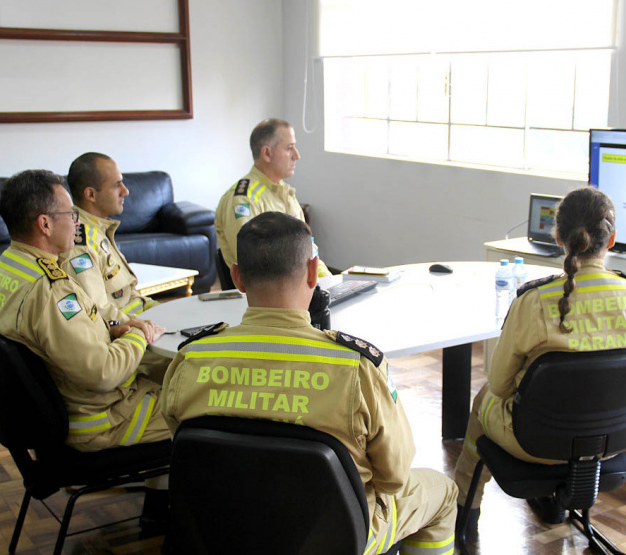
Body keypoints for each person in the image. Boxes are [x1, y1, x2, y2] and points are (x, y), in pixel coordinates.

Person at [161, 212, 456, 554]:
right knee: (443, 493)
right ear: (314, 272)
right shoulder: (357, 368)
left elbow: (189, 452)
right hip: (335, 536)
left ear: (237, 277)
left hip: (223, 529)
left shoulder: (191, 359)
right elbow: (395, 477)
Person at [453, 187, 626, 531]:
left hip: (533, 442)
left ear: (559, 237)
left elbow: (501, 386)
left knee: (484, 400)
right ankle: (554, 501)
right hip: (609, 442)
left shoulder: (534, 301)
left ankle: (466, 507)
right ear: (611, 240)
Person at [0, 169, 171, 528]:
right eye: (70, 214)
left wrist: (116, 326)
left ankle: (164, 507)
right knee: (202, 403)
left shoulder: (7, 269)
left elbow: (79, 324)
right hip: (99, 419)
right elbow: (102, 372)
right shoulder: (49, 290)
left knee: (172, 379)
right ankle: (182, 519)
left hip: (56, 413)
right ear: (45, 224)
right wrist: (138, 335)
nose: (77, 222)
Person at [214, 118, 331, 278]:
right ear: (267, 153)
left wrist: (330, 281)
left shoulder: (285, 194)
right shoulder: (243, 199)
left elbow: (308, 249)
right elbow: (253, 262)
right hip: (270, 290)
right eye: (289, 148)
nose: (297, 155)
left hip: (300, 286)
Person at [63, 152, 156, 324]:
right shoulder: (80, 243)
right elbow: (98, 312)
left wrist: (163, 310)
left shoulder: (98, 227)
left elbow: (129, 294)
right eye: (117, 185)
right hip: (128, 330)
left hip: (140, 317)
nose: (125, 191)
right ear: (91, 195)